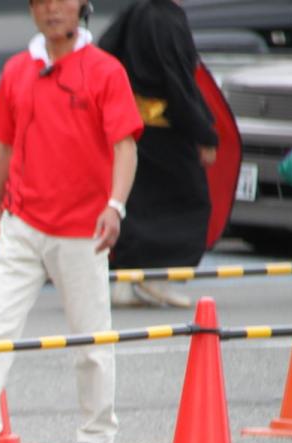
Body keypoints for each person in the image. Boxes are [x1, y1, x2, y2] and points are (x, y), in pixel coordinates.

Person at [0, 0, 141, 443]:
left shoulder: (105, 70)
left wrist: (115, 206)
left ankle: (96, 434)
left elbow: (124, 146)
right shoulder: (17, 70)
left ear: (82, 8)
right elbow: (3, 148)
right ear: (31, 10)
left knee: (91, 335)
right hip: (21, 221)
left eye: (62, 1)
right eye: (42, 2)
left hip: (83, 227)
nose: (52, 10)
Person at [100, 0, 219, 309]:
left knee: (135, 204)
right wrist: (203, 131)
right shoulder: (166, 19)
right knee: (188, 200)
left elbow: (104, 52)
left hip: (131, 125)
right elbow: (178, 82)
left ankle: (125, 281)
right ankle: (158, 276)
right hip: (165, 129)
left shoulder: (134, 10)